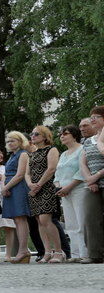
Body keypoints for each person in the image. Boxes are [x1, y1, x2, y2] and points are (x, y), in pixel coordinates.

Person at [26, 125, 64, 263]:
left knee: (45, 219)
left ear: (44, 136)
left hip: (46, 187)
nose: (33, 136)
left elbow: (51, 168)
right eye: (32, 134)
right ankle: (47, 251)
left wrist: (39, 185)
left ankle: (59, 252)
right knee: (38, 221)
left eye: (36, 134)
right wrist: (30, 184)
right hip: (34, 189)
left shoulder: (51, 149)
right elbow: (27, 173)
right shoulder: (32, 153)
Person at [55, 125, 87, 262]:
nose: (62, 136)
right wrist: (59, 187)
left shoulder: (82, 149)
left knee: (81, 222)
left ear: (74, 135)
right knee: (71, 223)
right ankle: (75, 254)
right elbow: (57, 173)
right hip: (64, 192)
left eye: (65, 133)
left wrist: (69, 187)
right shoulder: (63, 154)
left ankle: (85, 253)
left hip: (78, 189)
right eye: (61, 134)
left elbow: (81, 171)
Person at [1, 132, 32, 263]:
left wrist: (6, 187)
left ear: (20, 141)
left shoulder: (23, 154)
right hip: (10, 187)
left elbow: (20, 174)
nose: (10, 144)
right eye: (8, 141)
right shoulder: (12, 156)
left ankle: (23, 249)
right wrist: (4, 187)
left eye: (13, 141)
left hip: (18, 187)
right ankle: (22, 251)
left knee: (20, 218)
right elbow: (5, 173)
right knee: (16, 219)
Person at [81, 106, 104, 263]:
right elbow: (83, 162)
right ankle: (95, 254)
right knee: (90, 217)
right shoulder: (88, 140)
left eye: (96, 116)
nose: (92, 119)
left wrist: (96, 176)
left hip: (99, 178)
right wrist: (90, 179)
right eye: (91, 117)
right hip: (93, 184)